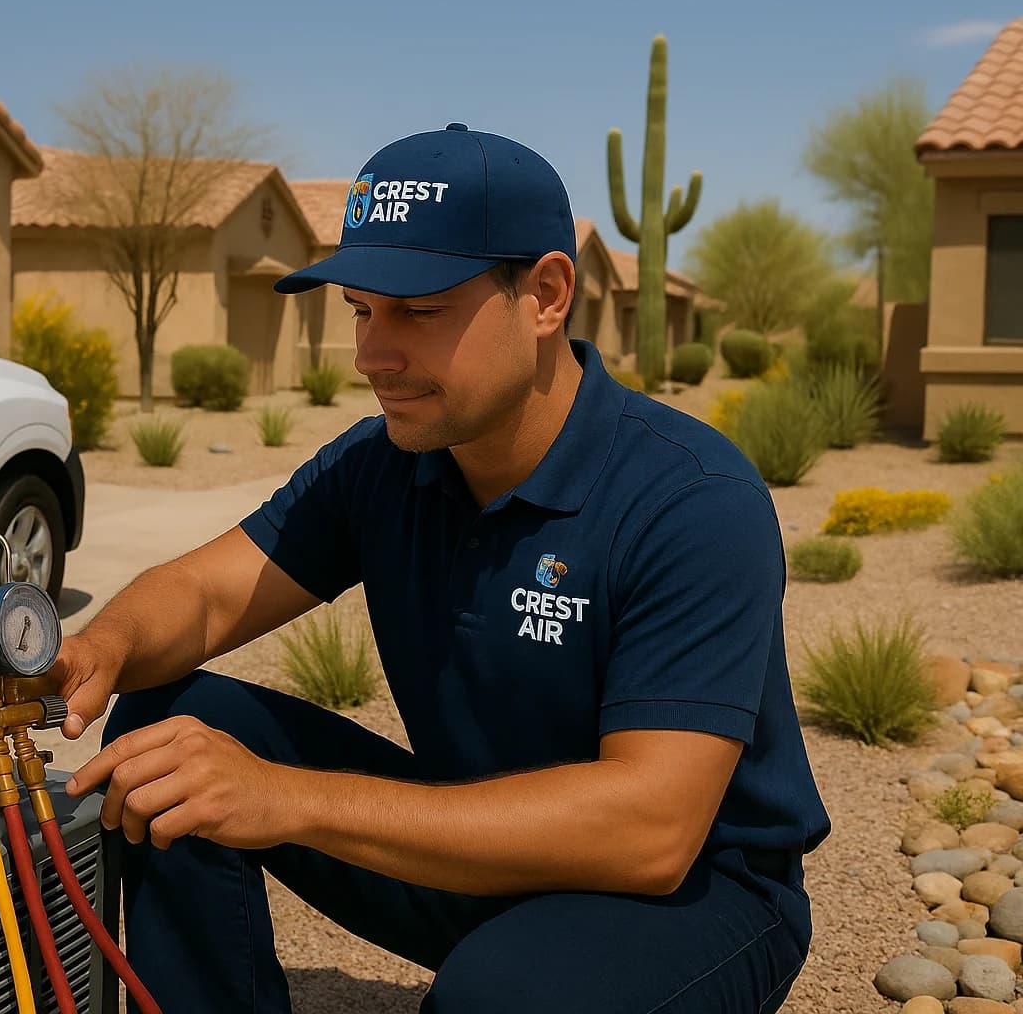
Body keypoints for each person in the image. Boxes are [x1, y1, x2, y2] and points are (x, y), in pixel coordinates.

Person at [55, 123, 831, 1013]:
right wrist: (101, 647)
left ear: (544, 295)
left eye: (419, 312)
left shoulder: (692, 498)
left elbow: (650, 831)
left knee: (499, 995)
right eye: (361, 309)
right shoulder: (385, 462)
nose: (373, 355)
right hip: (480, 843)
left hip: (697, 892)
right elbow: (204, 591)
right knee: (170, 736)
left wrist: (289, 800)